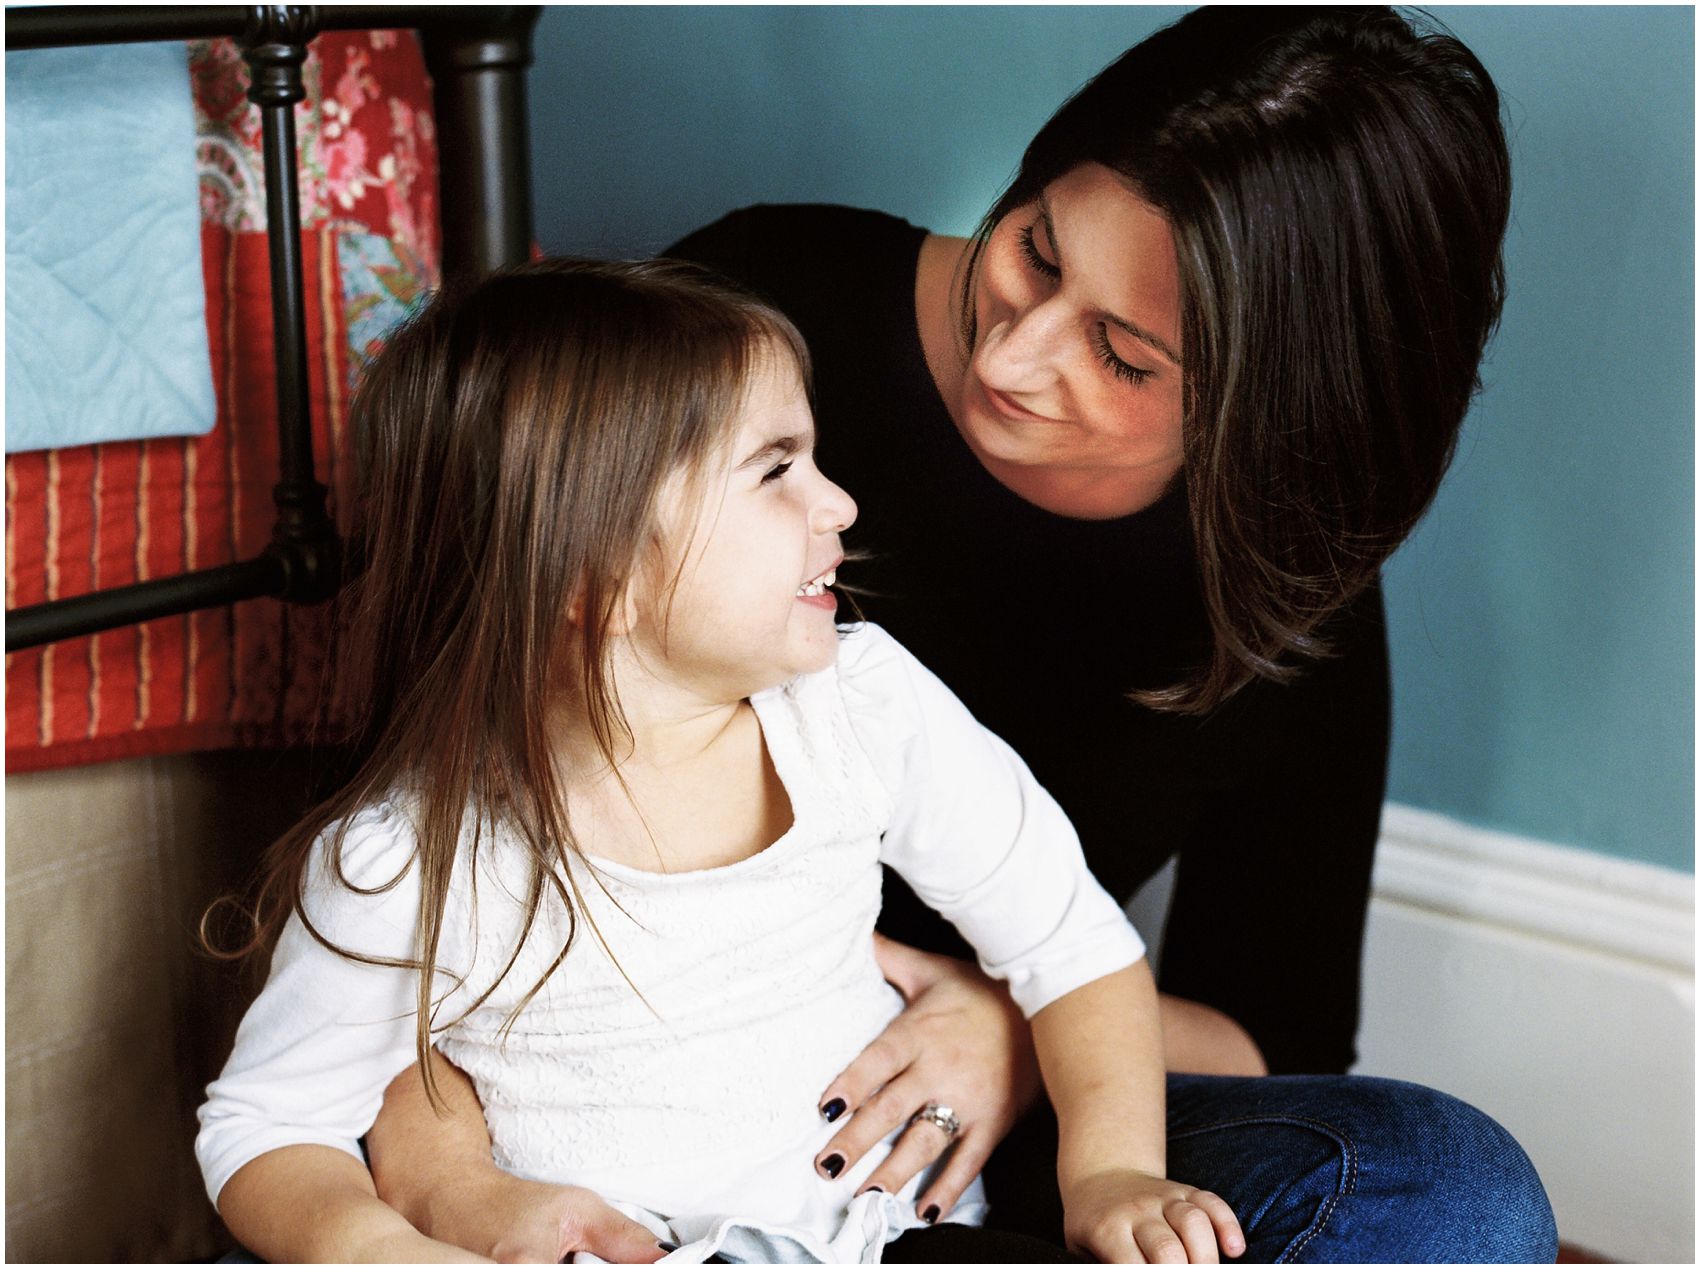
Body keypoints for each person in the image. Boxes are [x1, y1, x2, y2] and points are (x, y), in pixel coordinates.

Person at [363, 6, 1558, 1264]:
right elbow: (422, 850)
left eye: (1121, 355)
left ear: (1268, 417)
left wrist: (1020, 1026)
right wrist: (449, 1189)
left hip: (1004, 1140)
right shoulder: (757, 324)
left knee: (1452, 1191)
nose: (1016, 354)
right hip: (622, 1116)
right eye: (1038, 250)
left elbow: (1274, 1026)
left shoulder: (1280, 579)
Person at [195, 256, 1254, 1264]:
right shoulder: (411, 861)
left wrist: (1113, 1176)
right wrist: (384, 1246)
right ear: (591, 573)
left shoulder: (856, 705)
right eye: (775, 470)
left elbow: (1070, 941)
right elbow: (266, 1125)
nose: (835, 504)